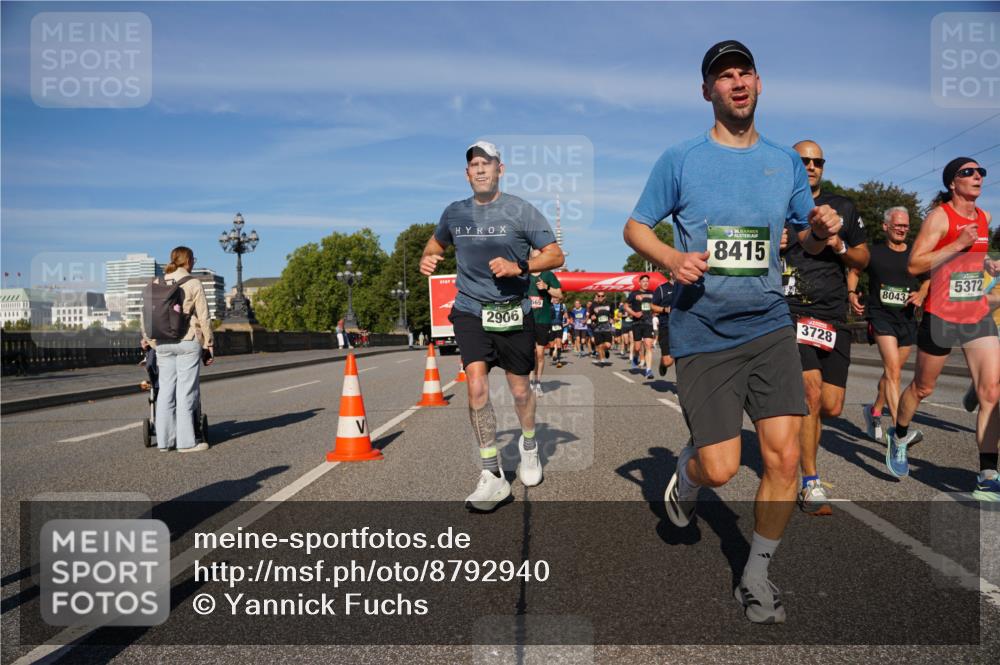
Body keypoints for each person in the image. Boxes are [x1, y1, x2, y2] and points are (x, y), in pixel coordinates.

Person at [624, 40, 843, 623]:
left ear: (759, 83)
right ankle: (686, 473)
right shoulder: (682, 158)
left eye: (745, 71)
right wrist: (671, 260)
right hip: (703, 328)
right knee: (720, 468)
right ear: (707, 92)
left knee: (783, 460)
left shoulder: (784, 161)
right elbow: (635, 226)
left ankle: (757, 574)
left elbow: (805, 237)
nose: (737, 82)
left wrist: (821, 228)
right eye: (724, 75)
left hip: (771, 324)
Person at [420, 140, 564, 511]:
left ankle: (529, 445)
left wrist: (521, 267)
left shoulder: (521, 210)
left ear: (501, 169)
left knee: (519, 392)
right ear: (466, 174)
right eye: (474, 164)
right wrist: (428, 259)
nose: (481, 169)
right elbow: (434, 245)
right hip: (470, 310)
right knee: (476, 386)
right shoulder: (454, 213)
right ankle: (492, 474)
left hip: (513, 310)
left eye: (487, 163)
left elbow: (556, 255)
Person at [887, 158, 999, 502]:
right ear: (953, 183)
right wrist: (956, 244)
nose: (977, 176)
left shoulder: (985, 218)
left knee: (992, 393)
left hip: (976, 312)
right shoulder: (940, 217)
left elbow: (970, 257)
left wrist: (986, 263)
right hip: (942, 314)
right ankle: (899, 435)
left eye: (981, 172)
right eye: (968, 172)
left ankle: (987, 474)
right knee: (923, 388)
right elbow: (915, 264)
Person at [781, 140, 869, 515]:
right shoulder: (777, 205)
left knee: (831, 406)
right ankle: (810, 481)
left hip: (832, 315)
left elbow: (863, 257)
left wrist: (839, 245)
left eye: (818, 161)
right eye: (804, 161)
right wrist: (774, 245)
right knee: (810, 393)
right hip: (790, 310)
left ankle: (794, 433)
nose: (812, 166)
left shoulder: (843, 207)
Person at [848, 207, 927, 443]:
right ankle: (898, 432)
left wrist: (922, 293)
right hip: (880, 315)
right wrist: (851, 293)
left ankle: (874, 411)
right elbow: (854, 271)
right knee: (893, 371)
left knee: (892, 371)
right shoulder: (873, 253)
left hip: (906, 318)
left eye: (905, 225)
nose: (902, 229)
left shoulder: (915, 254)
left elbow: (928, 277)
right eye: (898, 225)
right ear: (885, 226)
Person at [141, 246, 215, 453]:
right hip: (188, 341)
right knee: (186, 392)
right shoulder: (193, 282)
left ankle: (165, 442)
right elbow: (204, 317)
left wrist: (152, 342)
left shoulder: (155, 283)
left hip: (163, 343)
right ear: (189, 260)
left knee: (164, 392)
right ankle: (186, 443)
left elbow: (145, 317)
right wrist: (208, 344)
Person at [527, 254, 563, 394]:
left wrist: (546, 287)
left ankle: (537, 383)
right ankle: (530, 382)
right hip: (527, 320)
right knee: (530, 353)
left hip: (542, 320)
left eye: (539, 257)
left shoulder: (548, 275)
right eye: (533, 257)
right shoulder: (525, 275)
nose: (536, 260)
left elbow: (559, 295)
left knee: (540, 353)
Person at [625, 274, 657, 380]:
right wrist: (634, 314)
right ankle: (635, 356)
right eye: (643, 281)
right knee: (638, 347)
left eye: (647, 281)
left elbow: (656, 306)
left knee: (648, 345)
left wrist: (655, 312)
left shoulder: (652, 293)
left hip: (648, 322)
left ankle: (648, 370)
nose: (645, 283)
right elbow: (626, 306)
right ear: (639, 283)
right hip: (637, 323)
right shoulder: (634, 294)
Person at [651, 273, 675, 377]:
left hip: (682, 327)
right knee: (668, 362)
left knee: (683, 358)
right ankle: (663, 363)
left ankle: (681, 386)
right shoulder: (662, 289)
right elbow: (652, 306)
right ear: (671, 273)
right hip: (666, 326)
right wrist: (664, 309)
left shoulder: (686, 288)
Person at [587, 291, 615, 366]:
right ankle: (602, 360)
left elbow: (612, 314)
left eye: (602, 296)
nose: (600, 297)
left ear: (605, 297)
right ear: (596, 296)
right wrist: (592, 317)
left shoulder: (609, 304)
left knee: (608, 345)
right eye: (599, 296)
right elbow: (590, 315)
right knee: (599, 345)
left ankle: (605, 350)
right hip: (597, 328)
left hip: (607, 328)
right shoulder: (593, 305)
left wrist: (612, 318)